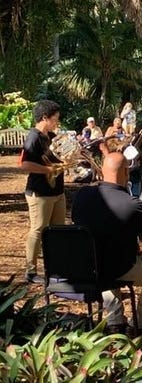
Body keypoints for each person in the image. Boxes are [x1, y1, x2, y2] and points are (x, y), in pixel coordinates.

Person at [71, 152, 142, 334]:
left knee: (103, 259)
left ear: (102, 171)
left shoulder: (81, 195)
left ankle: (115, 321)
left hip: (88, 266)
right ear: (126, 172)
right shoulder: (134, 204)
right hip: (120, 267)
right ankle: (140, 324)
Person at [19, 100, 66, 284]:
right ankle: (31, 271)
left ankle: (55, 269)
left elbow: (61, 156)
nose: (57, 122)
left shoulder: (52, 136)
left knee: (57, 231)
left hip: (57, 191)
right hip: (40, 192)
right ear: (45, 118)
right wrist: (49, 170)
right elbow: (24, 164)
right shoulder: (33, 137)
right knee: (38, 230)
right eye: (55, 118)